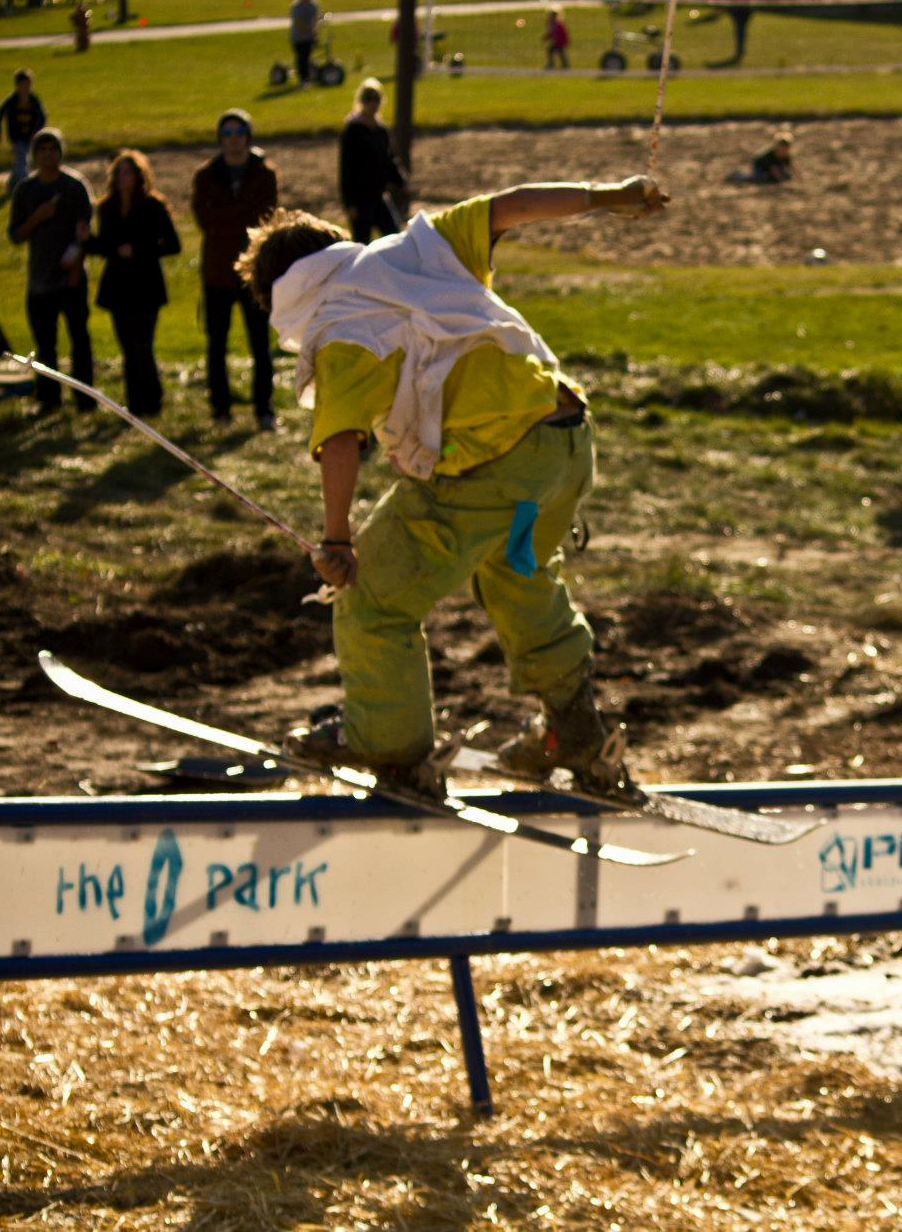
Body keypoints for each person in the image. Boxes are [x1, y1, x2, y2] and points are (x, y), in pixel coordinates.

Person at [235, 174, 669, 800]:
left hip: (491, 469)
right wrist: (615, 195)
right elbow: (513, 207)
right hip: (563, 448)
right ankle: (574, 734)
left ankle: (393, 753)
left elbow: (339, 442)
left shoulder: (339, 324)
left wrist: (337, 540)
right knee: (515, 570)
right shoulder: (418, 247)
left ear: (278, 295)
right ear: (335, 245)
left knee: (372, 599)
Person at [190, 108, 281, 429]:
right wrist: (240, 216)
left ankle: (264, 410)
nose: (233, 140)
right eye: (226, 133)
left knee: (260, 345)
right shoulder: (206, 175)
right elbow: (206, 220)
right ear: (219, 139)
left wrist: (226, 215)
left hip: (254, 273)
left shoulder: (264, 173)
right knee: (216, 346)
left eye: (238, 132)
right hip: (217, 273)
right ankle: (221, 410)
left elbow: (264, 220)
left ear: (248, 136)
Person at [86, 149, 181, 418]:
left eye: (128, 172)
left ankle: (152, 401)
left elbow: (172, 245)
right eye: (119, 172)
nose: (123, 177)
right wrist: (87, 240)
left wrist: (138, 250)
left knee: (142, 344)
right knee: (127, 346)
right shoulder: (106, 207)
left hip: (146, 284)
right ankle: (134, 404)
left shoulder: (154, 205)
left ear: (140, 176)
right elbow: (104, 246)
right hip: (118, 285)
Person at [7, 128, 96, 415]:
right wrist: (37, 217)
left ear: (61, 153)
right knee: (46, 345)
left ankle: (85, 400)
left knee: (80, 341)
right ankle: (49, 400)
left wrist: (76, 268)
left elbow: (85, 233)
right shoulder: (26, 190)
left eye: (53, 149)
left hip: (71, 279)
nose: (48, 155)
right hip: (40, 281)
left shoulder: (75, 187)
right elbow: (16, 235)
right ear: (34, 156)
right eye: (42, 150)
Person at [338, 78, 408, 244]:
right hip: (361, 199)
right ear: (362, 101)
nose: (373, 103)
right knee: (361, 244)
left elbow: (389, 159)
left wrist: (402, 182)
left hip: (380, 196)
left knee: (394, 237)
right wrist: (349, 204)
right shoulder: (353, 130)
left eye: (376, 98)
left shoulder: (381, 130)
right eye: (369, 98)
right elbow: (346, 169)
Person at [0, 69, 47, 195]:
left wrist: (38, 131)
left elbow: (42, 116)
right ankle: (26, 188)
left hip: (30, 136)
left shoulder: (34, 100)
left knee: (20, 160)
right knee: (22, 160)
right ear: (17, 86)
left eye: (28, 85)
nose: (26, 88)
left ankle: (11, 183)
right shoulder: (11, 101)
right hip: (16, 137)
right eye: (23, 86)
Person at [288, 0, 321, 85]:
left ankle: (307, 77)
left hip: (309, 36)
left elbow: (315, 19)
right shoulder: (296, 6)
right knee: (302, 58)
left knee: (307, 57)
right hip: (298, 37)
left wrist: (315, 31)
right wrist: (309, 29)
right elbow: (298, 23)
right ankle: (303, 79)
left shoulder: (313, 4)